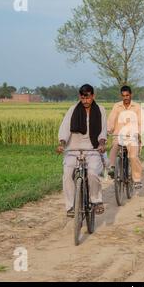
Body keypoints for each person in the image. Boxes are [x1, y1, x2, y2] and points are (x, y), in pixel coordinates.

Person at [56, 84, 107, 217]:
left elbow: (102, 131)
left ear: (93, 96)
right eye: (83, 98)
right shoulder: (73, 109)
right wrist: (62, 144)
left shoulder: (100, 110)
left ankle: (96, 200)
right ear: (80, 97)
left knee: (92, 173)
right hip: (73, 148)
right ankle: (71, 206)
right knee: (67, 175)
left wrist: (101, 144)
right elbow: (65, 128)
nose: (85, 101)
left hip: (92, 149)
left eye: (88, 98)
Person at [107, 86, 144, 189]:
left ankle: (136, 179)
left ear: (131, 95)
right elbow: (111, 119)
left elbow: (141, 123)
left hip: (132, 136)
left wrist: (139, 133)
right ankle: (112, 167)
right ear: (121, 96)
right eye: (123, 96)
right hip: (119, 135)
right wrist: (108, 130)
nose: (125, 97)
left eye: (127, 95)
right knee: (114, 145)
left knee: (132, 156)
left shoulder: (137, 107)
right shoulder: (117, 106)